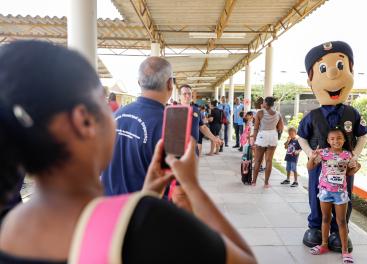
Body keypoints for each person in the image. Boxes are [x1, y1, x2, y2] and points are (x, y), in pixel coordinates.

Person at [0, 40, 256, 264]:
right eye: (103, 101)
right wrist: (192, 187)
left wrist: (146, 194)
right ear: (84, 122)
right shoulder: (146, 224)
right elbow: (246, 261)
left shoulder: (7, 226)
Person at [298, 41, 367, 252]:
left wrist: (354, 156)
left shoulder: (352, 113)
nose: (331, 73)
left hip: (343, 167)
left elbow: (363, 135)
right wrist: (311, 154)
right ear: (310, 79)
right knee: (316, 194)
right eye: (322, 68)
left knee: (344, 196)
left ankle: (340, 231)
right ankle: (316, 228)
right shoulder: (313, 116)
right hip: (320, 166)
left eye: (340, 66)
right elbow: (301, 136)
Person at [102, 56, 174, 196]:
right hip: (145, 212)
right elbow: (176, 188)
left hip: (110, 209)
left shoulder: (117, 115)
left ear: (139, 82)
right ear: (170, 83)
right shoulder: (169, 126)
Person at [307, 128, 360, 263]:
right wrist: (312, 158)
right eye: (332, 139)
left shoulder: (347, 155)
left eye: (339, 138)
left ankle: (345, 251)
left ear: (343, 140)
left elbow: (348, 173)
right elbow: (310, 167)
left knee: (341, 221)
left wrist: (357, 167)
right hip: (325, 191)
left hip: (340, 193)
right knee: (325, 218)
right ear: (328, 141)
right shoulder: (323, 153)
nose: (336, 141)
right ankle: (324, 245)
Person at [252, 97, 284, 187]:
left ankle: (254, 182)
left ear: (266, 103)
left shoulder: (260, 112)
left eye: (263, 102)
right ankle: (266, 183)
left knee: (258, 160)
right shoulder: (278, 114)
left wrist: (254, 139)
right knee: (269, 161)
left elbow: (256, 127)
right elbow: (281, 128)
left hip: (262, 136)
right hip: (273, 136)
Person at [179, 84, 222, 150]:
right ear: (180, 96)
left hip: (193, 148)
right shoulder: (173, 111)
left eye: (189, 94)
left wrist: (214, 138)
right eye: (184, 94)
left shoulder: (196, 110)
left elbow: (203, 127)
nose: (187, 96)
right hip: (179, 149)